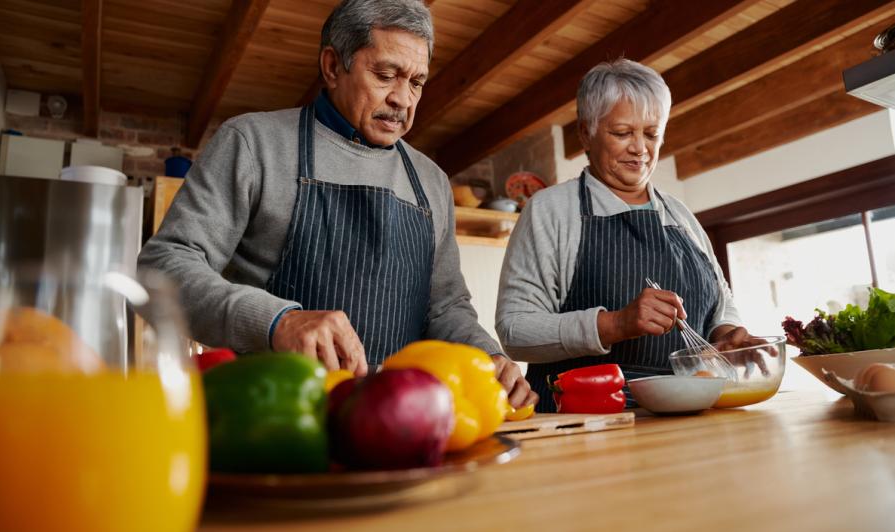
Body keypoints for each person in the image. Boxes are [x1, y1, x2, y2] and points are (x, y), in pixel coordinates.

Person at [139, 0, 537, 408]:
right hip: (272, 413)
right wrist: (279, 321)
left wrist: (488, 355)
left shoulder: (431, 181)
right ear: (332, 66)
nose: (403, 99)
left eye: (417, 82)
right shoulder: (254, 143)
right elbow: (163, 267)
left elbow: (447, 308)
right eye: (385, 75)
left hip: (399, 419)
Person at [495, 59, 762, 412]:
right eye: (623, 133)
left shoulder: (680, 216)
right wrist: (615, 323)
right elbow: (516, 330)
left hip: (689, 415)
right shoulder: (551, 210)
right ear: (586, 132)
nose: (641, 148)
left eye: (652, 134)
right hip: (585, 423)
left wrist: (726, 335)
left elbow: (721, 301)